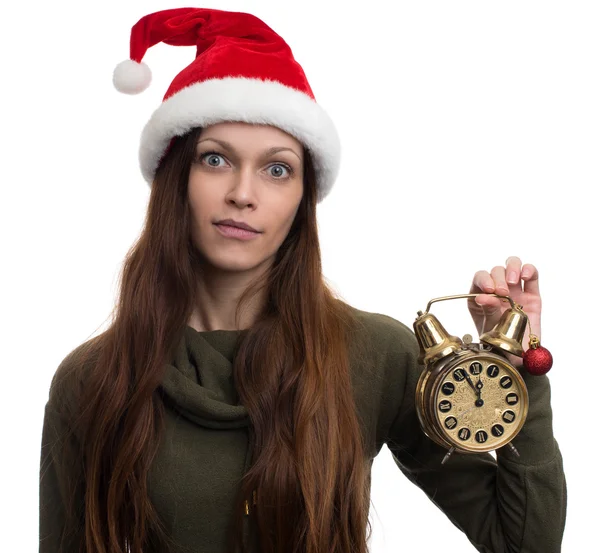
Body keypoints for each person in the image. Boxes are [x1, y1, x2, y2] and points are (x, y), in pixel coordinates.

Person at [38, 7, 567, 553]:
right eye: (216, 159)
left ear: (302, 199)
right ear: (177, 180)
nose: (244, 193)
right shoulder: (93, 379)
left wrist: (514, 368)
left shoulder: (375, 354)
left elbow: (523, 542)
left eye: (277, 169)